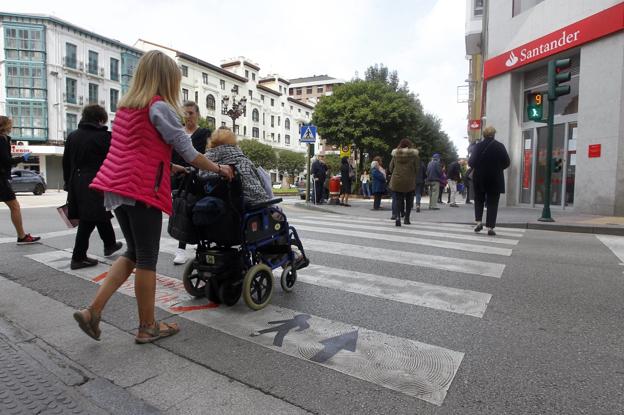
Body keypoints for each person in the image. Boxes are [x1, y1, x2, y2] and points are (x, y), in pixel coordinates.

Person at [72, 50, 234, 344]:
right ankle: (147, 326)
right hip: (141, 187)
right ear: (166, 79)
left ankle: (92, 311)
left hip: (117, 185)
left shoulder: (126, 108)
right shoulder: (158, 108)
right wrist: (220, 168)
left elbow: (135, 149)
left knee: (132, 252)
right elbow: (190, 151)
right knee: (147, 257)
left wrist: (170, 166)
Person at [62, 105, 122, 270]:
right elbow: (114, 161)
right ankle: (78, 257)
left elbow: (66, 162)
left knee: (98, 213)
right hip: (96, 181)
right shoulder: (103, 137)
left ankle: (110, 244)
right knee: (88, 219)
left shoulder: (73, 136)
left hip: (76, 181)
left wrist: (68, 183)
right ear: (100, 120)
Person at [171, 101, 211, 265]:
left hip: (197, 179)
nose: (188, 116)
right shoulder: (176, 132)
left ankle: (188, 247)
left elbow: (208, 153)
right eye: (185, 113)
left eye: (191, 113)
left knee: (191, 211)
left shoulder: (204, 133)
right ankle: (183, 247)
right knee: (181, 211)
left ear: (198, 115)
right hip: (178, 179)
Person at [200, 126, 270, 204]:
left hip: (213, 207)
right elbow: (256, 193)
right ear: (233, 141)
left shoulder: (204, 162)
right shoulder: (242, 161)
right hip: (245, 208)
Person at [0, 116, 40, 245]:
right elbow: (6, 161)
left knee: (14, 207)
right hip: (0, 179)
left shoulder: (4, 139)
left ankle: (22, 236)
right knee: (15, 207)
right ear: (4, 126)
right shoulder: (1, 139)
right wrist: (22, 158)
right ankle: (21, 236)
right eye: (10, 124)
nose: (11, 127)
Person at [468, 125, 510, 236]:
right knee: (493, 202)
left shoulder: (478, 146)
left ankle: (478, 222)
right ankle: (490, 227)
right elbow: (507, 162)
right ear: (494, 134)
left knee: (479, 200)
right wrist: (497, 168)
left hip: (480, 178)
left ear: (484, 135)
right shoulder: (500, 146)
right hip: (495, 178)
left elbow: (471, 163)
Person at [388, 139, 420, 226]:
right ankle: (407, 219)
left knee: (398, 199)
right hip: (409, 180)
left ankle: (398, 217)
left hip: (397, 180)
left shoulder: (395, 155)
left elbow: (390, 168)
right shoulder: (414, 156)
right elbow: (417, 168)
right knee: (409, 200)